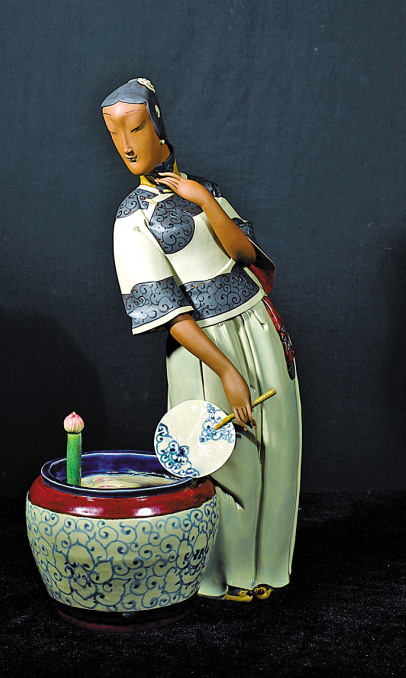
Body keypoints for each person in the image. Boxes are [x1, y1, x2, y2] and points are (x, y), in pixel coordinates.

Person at [101, 78, 301, 602]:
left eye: (135, 128)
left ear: (157, 125)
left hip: (257, 325)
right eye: (114, 133)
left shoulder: (201, 187)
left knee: (278, 446)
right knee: (224, 458)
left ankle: (266, 569)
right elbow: (166, 312)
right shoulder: (132, 217)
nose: (126, 145)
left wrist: (203, 198)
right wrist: (227, 370)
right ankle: (228, 575)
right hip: (203, 349)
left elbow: (244, 253)